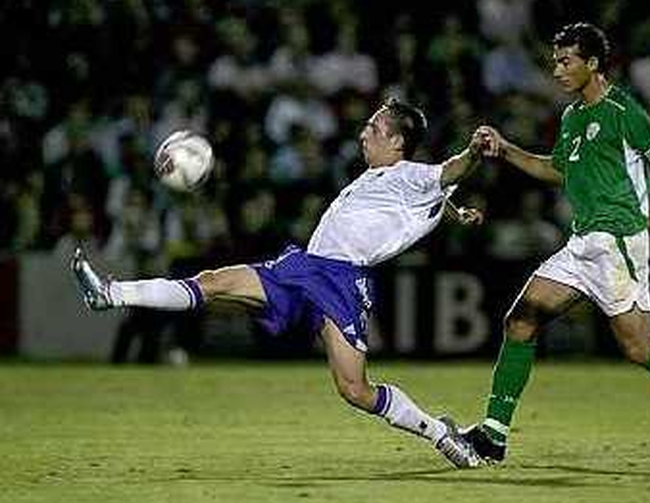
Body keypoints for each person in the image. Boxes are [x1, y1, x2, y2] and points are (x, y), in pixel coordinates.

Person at [73, 97, 486, 468]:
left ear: (397, 143)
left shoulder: (411, 175)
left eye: (375, 129)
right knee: (213, 281)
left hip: (341, 282)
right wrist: (457, 212)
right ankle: (110, 293)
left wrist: (473, 151)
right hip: (302, 268)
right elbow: (432, 193)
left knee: (355, 390)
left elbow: (449, 171)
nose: (364, 133)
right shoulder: (396, 181)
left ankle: (438, 432)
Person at [462, 23, 650, 469]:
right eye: (556, 60)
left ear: (593, 64)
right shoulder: (572, 117)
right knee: (521, 320)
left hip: (618, 241)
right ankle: (493, 435)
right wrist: (506, 150)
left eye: (566, 61)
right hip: (583, 242)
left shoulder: (625, 111)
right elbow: (559, 170)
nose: (557, 69)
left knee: (641, 348)